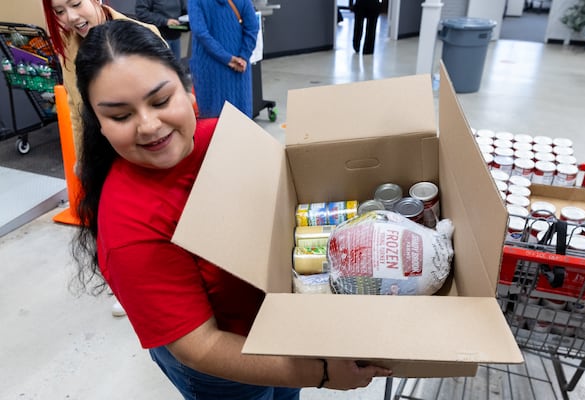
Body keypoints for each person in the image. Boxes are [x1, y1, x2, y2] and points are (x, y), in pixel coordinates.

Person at [72, 19, 392, 399]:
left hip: (279, 332)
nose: (148, 125)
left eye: (160, 101)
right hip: (226, 366)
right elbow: (200, 346)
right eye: (121, 116)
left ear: (187, 87)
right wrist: (319, 372)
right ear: (99, 124)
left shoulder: (222, 136)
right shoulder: (130, 224)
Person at [41, 0, 163, 318]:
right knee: (114, 228)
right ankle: (129, 287)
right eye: (59, 12)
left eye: (76, 4)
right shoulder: (69, 45)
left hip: (143, 148)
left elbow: (165, 99)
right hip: (101, 153)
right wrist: (82, 156)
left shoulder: (140, 34)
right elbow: (74, 107)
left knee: (153, 222)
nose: (70, 18)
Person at [188, 0, 259, 118]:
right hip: (238, 68)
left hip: (208, 68)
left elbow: (200, 32)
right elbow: (252, 27)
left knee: (212, 121)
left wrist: (227, 58)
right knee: (240, 119)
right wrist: (243, 56)